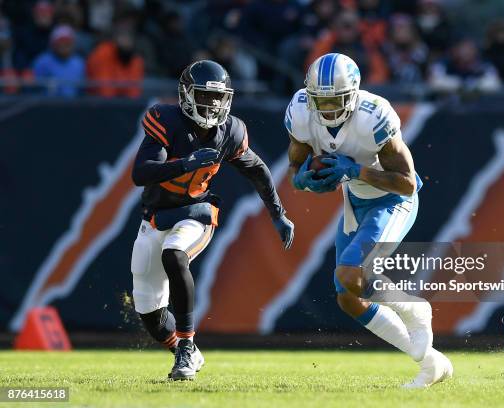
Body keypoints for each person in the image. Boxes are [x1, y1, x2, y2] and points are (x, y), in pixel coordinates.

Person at [284, 53, 452, 388]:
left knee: (350, 273)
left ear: (353, 93)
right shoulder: (302, 111)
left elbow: (406, 182)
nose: (328, 108)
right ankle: (431, 363)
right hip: (356, 201)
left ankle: (415, 310)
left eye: (336, 99)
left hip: (392, 201)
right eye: (321, 100)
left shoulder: (372, 116)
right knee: (347, 295)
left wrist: (355, 170)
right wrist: (303, 180)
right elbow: (294, 169)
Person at [131, 60, 294, 380]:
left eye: (219, 98)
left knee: (174, 254)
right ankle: (183, 351)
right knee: (149, 311)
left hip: (197, 213)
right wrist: (185, 163)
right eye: (205, 96)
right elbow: (141, 172)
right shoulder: (166, 119)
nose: (213, 104)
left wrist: (279, 213)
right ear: (187, 95)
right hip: (155, 217)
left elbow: (258, 170)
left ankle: (187, 346)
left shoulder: (231, 131)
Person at [32, 25, 85, 97]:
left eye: (67, 41)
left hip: (75, 105)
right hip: (47, 105)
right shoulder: (42, 62)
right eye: (60, 41)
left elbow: (83, 91)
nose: (64, 44)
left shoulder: (80, 63)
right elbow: (34, 89)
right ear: (53, 43)